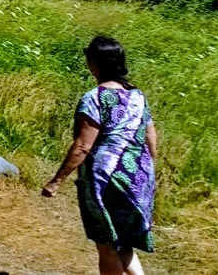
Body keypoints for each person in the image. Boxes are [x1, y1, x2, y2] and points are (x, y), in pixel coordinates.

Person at [42, 36, 158, 275]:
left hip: (106, 177)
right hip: (139, 174)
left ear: (94, 64)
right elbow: (151, 139)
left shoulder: (95, 98)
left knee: (106, 245)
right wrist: (148, 177)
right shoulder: (138, 96)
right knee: (123, 242)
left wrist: (56, 181)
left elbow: (83, 146)